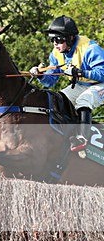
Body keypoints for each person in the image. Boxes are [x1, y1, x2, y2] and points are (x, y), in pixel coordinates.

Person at [29, 15, 104, 151]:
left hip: (100, 85)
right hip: (82, 85)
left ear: (70, 38)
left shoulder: (90, 49)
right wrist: (41, 75)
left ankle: (82, 139)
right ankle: (65, 134)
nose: (55, 44)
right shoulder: (56, 53)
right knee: (59, 98)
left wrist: (81, 72)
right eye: (52, 40)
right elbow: (50, 82)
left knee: (84, 100)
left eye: (58, 39)